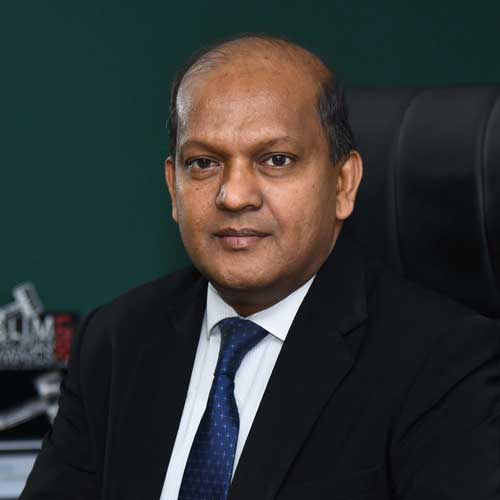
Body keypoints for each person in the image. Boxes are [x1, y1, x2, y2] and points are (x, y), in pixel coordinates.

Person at [20, 36, 500, 500]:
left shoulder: (445, 362)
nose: (234, 196)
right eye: (203, 163)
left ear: (343, 184)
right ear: (173, 187)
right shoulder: (116, 340)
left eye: (276, 160)